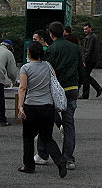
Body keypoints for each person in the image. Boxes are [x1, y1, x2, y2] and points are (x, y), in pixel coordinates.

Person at [35, 21, 84, 170]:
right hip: (72, 88)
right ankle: (69, 158)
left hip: (56, 91)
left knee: (46, 122)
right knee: (69, 124)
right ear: (63, 32)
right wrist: (79, 85)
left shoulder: (51, 49)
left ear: (51, 34)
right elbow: (81, 70)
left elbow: (46, 71)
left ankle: (43, 154)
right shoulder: (75, 48)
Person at [17, 41, 68, 178]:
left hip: (31, 106)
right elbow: (54, 82)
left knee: (28, 137)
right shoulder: (48, 66)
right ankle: (61, 161)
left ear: (29, 53)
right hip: (47, 107)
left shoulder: (25, 68)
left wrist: (20, 106)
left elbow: (23, 87)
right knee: (47, 138)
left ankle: (29, 166)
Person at [80, 23, 102, 99]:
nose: (85, 30)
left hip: (90, 60)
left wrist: (84, 60)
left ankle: (86, 93)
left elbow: (88, 50)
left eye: (86, 29)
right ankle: (97, 88)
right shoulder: (91, 36)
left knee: (85, 76)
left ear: (90, 28)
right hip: (92, 59)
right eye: (84, 29)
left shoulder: (90, 37)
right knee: (86, 75)